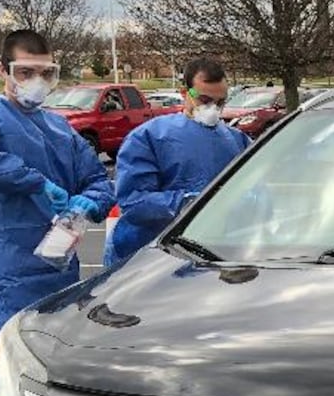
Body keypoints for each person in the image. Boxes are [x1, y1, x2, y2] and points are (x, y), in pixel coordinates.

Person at [0, 29, 114, 384]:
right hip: (2, 274)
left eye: (45, 73)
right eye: (25, 72)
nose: (36, 82)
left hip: (58, 275)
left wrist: (90, 203)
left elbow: (99, 181)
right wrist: (36, 182)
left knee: (53, 377)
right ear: (3, 71)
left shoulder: (60, 128)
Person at [107, 57, 252, 267]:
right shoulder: (149, 137)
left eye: (221, 102)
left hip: (217, 254)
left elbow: (255, 189)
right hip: (153, 257)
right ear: (185, 94)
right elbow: (134, 201)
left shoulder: (237, 140)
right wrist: (186, 204)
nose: (213, 108)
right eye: (204, 100)